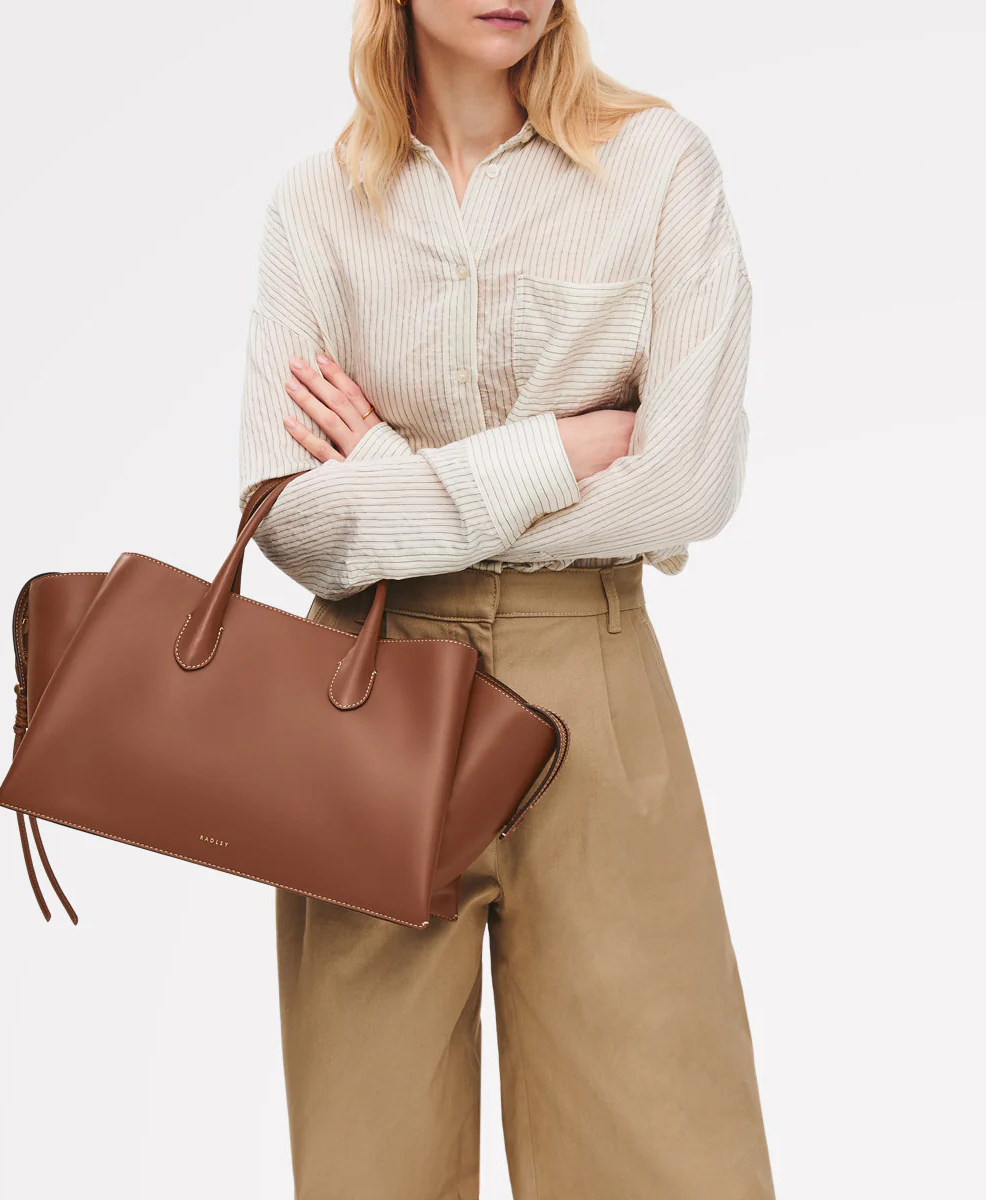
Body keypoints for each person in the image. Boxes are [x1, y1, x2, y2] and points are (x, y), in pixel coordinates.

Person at [237, 1, 775, 1196]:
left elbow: (682, 486)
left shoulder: (658, 168)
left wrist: (387, 470)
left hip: (592, 684)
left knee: (666, 1159)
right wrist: (552, 452)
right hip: (365, 700)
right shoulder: (317, 207)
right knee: (368, 1169)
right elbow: (292, 517)